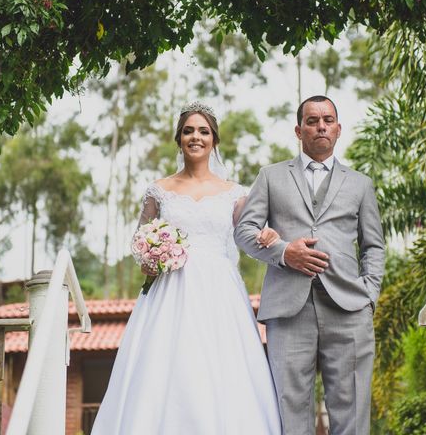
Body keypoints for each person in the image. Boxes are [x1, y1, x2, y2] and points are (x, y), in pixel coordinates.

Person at [91, 102, 282, 435]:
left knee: (222, 369)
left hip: (219, 293)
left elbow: (251, 236)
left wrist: (269, 234)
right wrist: (151, 254)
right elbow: (139, 242)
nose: (196, 137)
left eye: (203, 131)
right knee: (165, 367)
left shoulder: (235, 194)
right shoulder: (159, 191)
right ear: (179, 139)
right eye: (189, 131)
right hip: (169, 291)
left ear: (214, 141)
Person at [234, 95, 385, 435]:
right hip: (289, 310)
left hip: (349, 308)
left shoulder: (361, 184)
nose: (321, 126)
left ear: (338, 129)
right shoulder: (271, 176)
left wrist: (369, 295)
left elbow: (374, 245)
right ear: (299, 130)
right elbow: (244, 231)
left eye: (327, 120)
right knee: (291, 409)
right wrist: (285, 253)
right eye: (313, 120)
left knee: (353, 410)